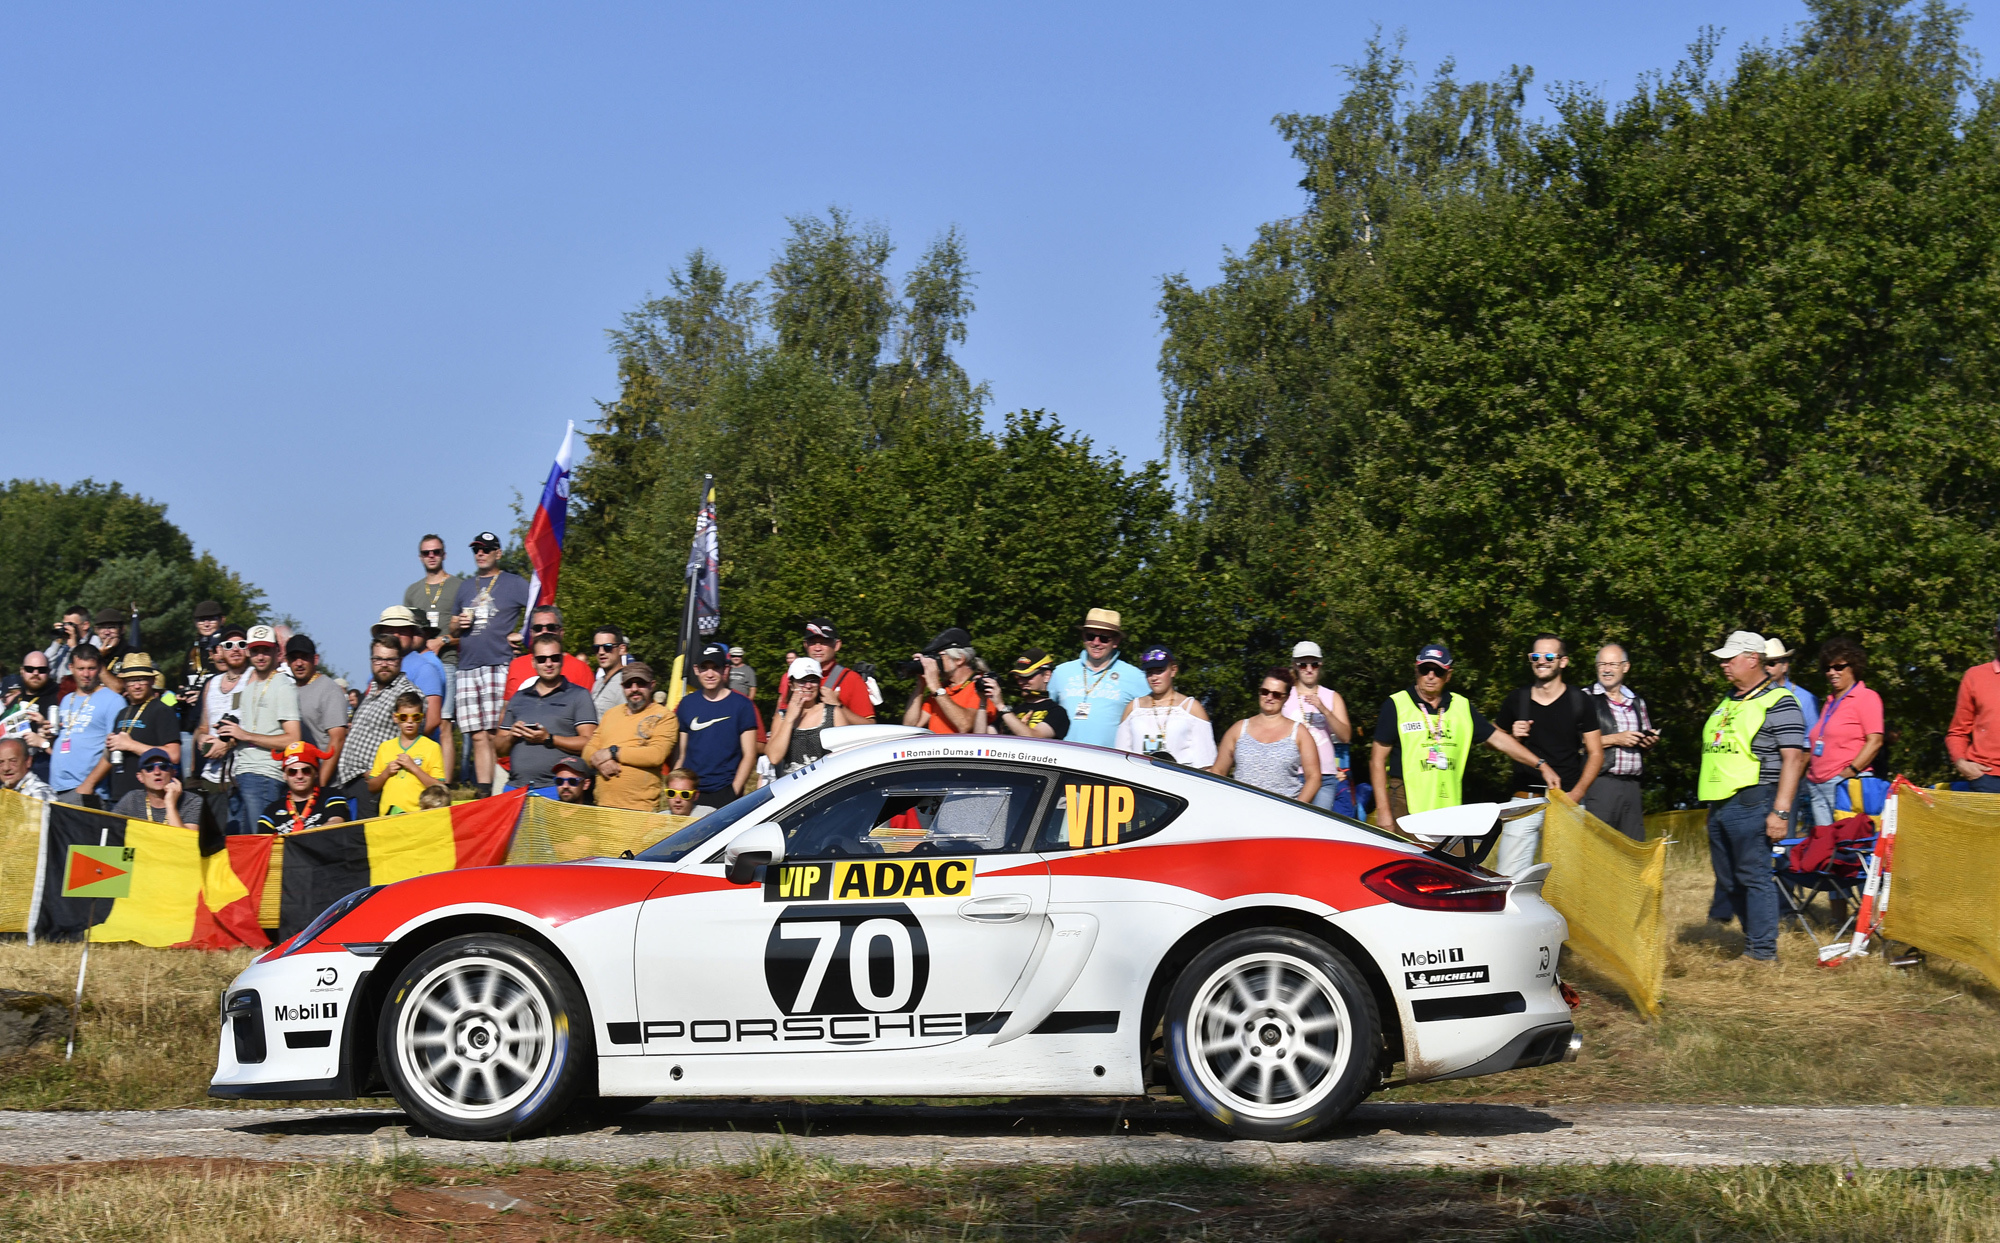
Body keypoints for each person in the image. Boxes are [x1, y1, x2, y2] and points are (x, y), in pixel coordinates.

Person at [1698, 630, 1809, 964]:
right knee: (1728, 879)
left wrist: (1781, 812)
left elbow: (1794, 759)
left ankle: (1762, 953)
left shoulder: (1780, 701)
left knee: (1753, 875)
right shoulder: (1729, 700)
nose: (1723, 665)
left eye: (1730, 658)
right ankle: (1754, 940)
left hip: (1754, 799)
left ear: (1752, 659)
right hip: (1719, 802)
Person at [1366, 643, 1559, 835]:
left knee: (1452, 856)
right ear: (1417, 671)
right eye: (1425, 670)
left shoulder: (1461, 706)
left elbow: (1500, 740)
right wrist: (1383, 811)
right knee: (1409, 855)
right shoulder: (1397, 704)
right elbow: (1377, 760)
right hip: (1406, 801)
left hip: (1449, 807)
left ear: (1448, 675)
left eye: (1438, 671)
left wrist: (1541, 765)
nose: (1431, 676)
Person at [1492, 635, 1605, 875]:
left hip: (1567, 799)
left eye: (1549, 656)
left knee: (1567, 879)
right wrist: (1512, 734)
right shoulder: (1517, 699)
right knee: (1509, 877)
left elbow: (1596, 753)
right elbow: (1492, 740)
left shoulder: (1579, 700)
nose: (1541, 661)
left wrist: (1577, 794)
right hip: (1525, 799)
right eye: (1535, 656)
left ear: (1563, 662)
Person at [451, 530, 531, 794]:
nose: (480, 554)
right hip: (467, 666)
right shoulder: (466, 586)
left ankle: (504, 787)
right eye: (476, 549)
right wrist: (457, 624)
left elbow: (540, 608)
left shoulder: (514, 582)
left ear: (498, 553)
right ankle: (484, 792)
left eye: (486, 549)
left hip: (499, 663)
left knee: (498, 731)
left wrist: (523, 635)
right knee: (477, 734)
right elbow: (452, 627)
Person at [212, 626, 302, 836]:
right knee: (240, 844)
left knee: (260, 841)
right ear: (248, 652)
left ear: (277, 652)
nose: (260, 656)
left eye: (266, 650)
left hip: (265, 774)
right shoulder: (249, 688)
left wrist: (245, 735)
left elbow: (293, 739)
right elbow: (250, 731)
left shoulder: (284, 686)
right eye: (255, 651)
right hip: (241, 773)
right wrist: (230, 734)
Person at [496, 635, 599, 794]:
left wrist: (549, 739)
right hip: (515, 788)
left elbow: (590, 743)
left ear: (562, 660)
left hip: (557, 789)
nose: (548, 663)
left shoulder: (579, 695)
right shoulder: (518, 697)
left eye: (554, 658)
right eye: (542, 659)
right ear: (533, 662)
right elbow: (499, 749)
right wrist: (511, 736)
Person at [1581, 643, 1657, 841]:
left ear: (1625, 667)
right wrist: (1616, 739)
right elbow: (1574, 741)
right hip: (1600, 783)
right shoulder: (1585, 698)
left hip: (1632, 785)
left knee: (1633, 847)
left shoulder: (1637, 702)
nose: (1607, 670)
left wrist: (1648, 742)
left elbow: (1644, 738)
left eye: (1613, 664)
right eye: (1602, 664)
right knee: (1598, 846)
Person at [1804, 638, 1885, 824]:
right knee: (1824, 839)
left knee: (1847, 838)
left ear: (1853, 667)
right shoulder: (1830, 702)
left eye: (1838, 667)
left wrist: (1851, 771)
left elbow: (1875, 741)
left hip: (1845, 782)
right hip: (1817, 785)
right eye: (1827, 668)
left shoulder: (1866, 697)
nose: (1832, 672)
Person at [338, 644, 422, 817]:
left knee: (364, 834)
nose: (384, 664)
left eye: (390, 659)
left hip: (374, 783)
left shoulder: (408, 693)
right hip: (350, 781)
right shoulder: (373, 689)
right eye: (378, 659)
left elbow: (414, 739)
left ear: (400, 661)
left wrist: (377, 773)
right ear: (371, 661)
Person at [1213, 668, 1321, 801]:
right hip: (1240, 807)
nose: (1269, 697)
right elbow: (1218, 771)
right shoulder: (1238, 729)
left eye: (1276, 694)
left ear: (1286, 697)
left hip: (1282, 809)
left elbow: (1314, 777)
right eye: (1265, 692)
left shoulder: (1299, 732)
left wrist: (1297, 807)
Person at [674, 642, 759, 807]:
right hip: (690, 791)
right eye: (704, 668)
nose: (710, 674)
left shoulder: (742, 705)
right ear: (696, 670)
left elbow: (750, 754)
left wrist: (734, 790)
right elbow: (681, 754)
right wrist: (676, 787)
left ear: (725, 669)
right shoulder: (686, 704)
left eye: (715, 667)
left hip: (724, 790)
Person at [586, 661, 678, 811]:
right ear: (622, 687)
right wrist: (600, 763)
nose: (634, 689)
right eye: (629, 685)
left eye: (640, 683)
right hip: (602, 807)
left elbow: (656, 755)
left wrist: (613, 752)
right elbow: (588, 750)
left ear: (652, 685)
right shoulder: (611, 714)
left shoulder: (664, 716)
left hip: (640, 810)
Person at [1048, 608, 1145, 747]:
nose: (1096, 642)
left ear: (1116, 641)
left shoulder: (1135, 676)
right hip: (1063, 755)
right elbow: (1045, 711)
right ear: (1083, 637)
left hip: (1107, 758)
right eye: (1090, 636)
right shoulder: (1061, 672)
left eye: (1104, 638)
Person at [1284, 641, 1354, 812]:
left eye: (1314, 664)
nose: (1309, 669)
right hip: (1293, 773)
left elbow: (1345, 736)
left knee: (1318, 823)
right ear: (1295, 665)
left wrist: (1324, 710)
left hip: (1325, 776)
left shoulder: (1332, 696)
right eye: (1303, 664)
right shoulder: (1284, 696)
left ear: (1320, 665)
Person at [1115, 646, 1216, 765]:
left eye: (1160, 671)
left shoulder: (1191, 708)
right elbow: (1120, 758)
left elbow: (1206, 762)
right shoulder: (1133, 708)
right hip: (1139, 774)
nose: (1154, 677)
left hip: (1179, 775)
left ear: (1173, 670)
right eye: (1149, 672)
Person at [102, 653, 180, 805]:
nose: (137, 686)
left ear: (152, 681)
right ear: (124, 683)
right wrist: (110, 746)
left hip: (150, 798)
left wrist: (130, 745)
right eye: (131, 680)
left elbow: (174, 755)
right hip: (119, 796)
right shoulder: (123, 712)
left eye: (141, 679)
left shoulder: (162, 711)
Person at [49, 645, 123, 807]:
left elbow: (115, 748)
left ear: (100, 668)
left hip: (87, 790)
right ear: (71, 668)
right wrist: (46, 738)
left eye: (91, 668)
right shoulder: (67, 700)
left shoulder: (113, 700)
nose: (86, 674)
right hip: (57, 788)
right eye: (81, 669)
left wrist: (88, 785)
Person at [774, 619, 876, 724]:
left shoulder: (851, 679)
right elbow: (782, 715)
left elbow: (870, 725)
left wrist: (838, 706)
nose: (818, 648)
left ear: (837, 645)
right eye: (812, 642)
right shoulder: (794, 677)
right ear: (805, 645)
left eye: (824, 642)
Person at [901, 628, 997, 735]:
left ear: (959, 659)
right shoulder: (942, 690)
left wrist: (936, 688)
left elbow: (965, 725)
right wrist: (920, 685)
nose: (933, 662)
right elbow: (910, 727)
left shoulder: (981, 685)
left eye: (938, 656)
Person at [369, 691, 449, 815]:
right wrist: (386, 773)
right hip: (388, 816)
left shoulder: (432, 747)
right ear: (395, 718)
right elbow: (372, 787)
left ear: (422, 718)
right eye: (404, 717)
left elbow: (440, 787)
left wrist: (413, 768)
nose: (410, 721)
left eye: (415, 717)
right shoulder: (385, 747)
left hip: (418, 814)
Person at [284, 635, 349, 786]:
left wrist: (320, 785)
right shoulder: (287, 690)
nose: (299, 663)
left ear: (315, 659)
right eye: (294, 658)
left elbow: (337, 739)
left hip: (323, 782)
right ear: (287, 661)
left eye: (304, 657)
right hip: (296, 780)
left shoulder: (329, 689)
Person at [372, 607, 445, 739]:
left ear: (412, 635)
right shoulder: (379, 668)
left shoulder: (425, 668)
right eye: (390, 631)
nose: (396, 636)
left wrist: (406, 744)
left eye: (402, 631)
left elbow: (433, 720)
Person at [1946, 616, 2000, 793]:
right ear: (1996, 634)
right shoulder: (1975, 676)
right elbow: (1957, 731)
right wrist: (1961, 763)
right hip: (1987, 779)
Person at [257, 741, 354, 833]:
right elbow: (262, 841)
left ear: (316, 773)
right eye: (292, 772)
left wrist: (300, 841)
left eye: (306, 771)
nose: (299, 776)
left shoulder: (331, 795)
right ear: (285, 775)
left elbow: (336, 822)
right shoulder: (272, 809)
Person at [768, 657, 839, 775]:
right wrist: (789, 719)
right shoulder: (781, 717)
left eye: (813, 680)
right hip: (793, 785)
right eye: (802, 681)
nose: (808, 685)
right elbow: (774, 757)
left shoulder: (834, 713)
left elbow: (845, 757)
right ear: (791, 685)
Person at [504, 605, 594, 697]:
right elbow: (508, 705)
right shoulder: (516, 665)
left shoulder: (581, 669)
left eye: (551, 627)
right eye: (538, 628)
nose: (544, 632)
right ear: (531, 633)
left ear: (561, 632)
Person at [5, 651, 61, 784]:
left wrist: (45, 737)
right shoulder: (16, 701)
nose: (35, 673)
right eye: (30, 669)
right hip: (15, 771)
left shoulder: (60, 697)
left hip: (45, 771)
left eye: (41, 670)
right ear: (22, 671)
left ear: (49, 671)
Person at [990, 649, 1069, 740]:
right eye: (1018, 677)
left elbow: (1034, 738)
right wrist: (982, 703)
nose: (1021, 682)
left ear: (1046, 676)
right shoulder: (1012, 712)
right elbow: (983, 736)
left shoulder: (1057, 712)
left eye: (1028, 676)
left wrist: (1001, 706)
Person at [110, 747, 201, 825]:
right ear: (140, 777)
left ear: (173, 772)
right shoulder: (132, 799)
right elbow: (110, 829)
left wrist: (170, 805)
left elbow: (187, 838)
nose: (157, 772)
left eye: (163, 766)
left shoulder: (191, 801)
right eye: (149, 768)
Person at [1764, 639, 1819, 732]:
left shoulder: (1805, 698)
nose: (1766, 668)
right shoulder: (1754, 696)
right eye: (1763, 664)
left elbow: (1811, 735)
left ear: (1784, 666)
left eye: (1771, 663)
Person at [589, 627, 634, 714]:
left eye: (607, 647)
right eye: (596, 648)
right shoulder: (598, 682)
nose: (601, 652)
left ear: (622, 649)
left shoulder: (627, 684)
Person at [44, 606, 91, 685]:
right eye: (65, 624)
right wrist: (57, 642)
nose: (67, 628)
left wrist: (74, 648)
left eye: (70, 624)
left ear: (85, 625)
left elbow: (85, 671)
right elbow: (45, 668)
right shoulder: (65, 647)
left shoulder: (95, 642)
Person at [0, 737, 53, 801]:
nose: (6, 768)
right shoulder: (5, 791)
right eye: (1, 762)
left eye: (13, 761)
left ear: (28, 761)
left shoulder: (37, 792)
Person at [90, 609, 130, 692]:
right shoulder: (94, 653)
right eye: (102, 628)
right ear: (96, 630)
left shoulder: (132, 654)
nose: (107, 633)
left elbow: (117, 688)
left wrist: (98, 661)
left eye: (112, 627)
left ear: (122, 629)